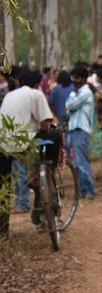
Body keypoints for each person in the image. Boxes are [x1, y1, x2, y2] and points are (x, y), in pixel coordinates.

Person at [0, 69, 53, 236]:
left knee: (4, 186)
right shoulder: (36, 94)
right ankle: (39, 194)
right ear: (37, 83)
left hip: (3, 142)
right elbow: (45, 122)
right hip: (24, 143)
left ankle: (3, 231)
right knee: (37, 170)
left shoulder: (9, 95)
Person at [65, 66, 97, 200]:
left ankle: (88, 190)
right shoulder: (78, 92)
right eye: (73, 77)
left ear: (84, 79)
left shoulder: (84, 92)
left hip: (81, 129)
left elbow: (70, 106)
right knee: (75, 161)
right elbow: (68, 108)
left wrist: (72, 97)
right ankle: (82, 190)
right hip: (73, 128)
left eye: (77, 78)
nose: (74, 80)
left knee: (81, 161)